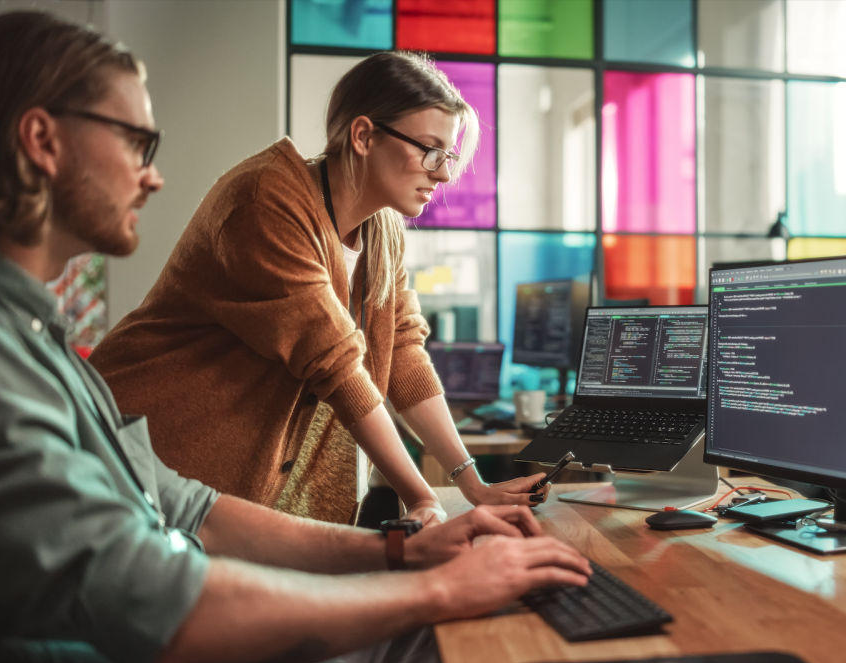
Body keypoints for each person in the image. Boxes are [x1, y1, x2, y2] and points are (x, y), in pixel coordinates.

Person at [0, 12, 589, 663]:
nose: (154, 177)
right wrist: (433, 561)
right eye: (137, 143)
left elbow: (186, 506)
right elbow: (336, 365)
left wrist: (415, 542)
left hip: (189, 541)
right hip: (177, 537)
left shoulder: (33, 337)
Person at [88, 51, 541, 526]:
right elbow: (336, 363)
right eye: (430, 151)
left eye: (448, 156)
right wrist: (421, 496)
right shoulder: (266, 202)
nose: (444, 174)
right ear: (363, 136)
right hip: (145, 459)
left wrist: (471, 483)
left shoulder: (382, 230)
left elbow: (403, 349)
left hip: (241, 499)